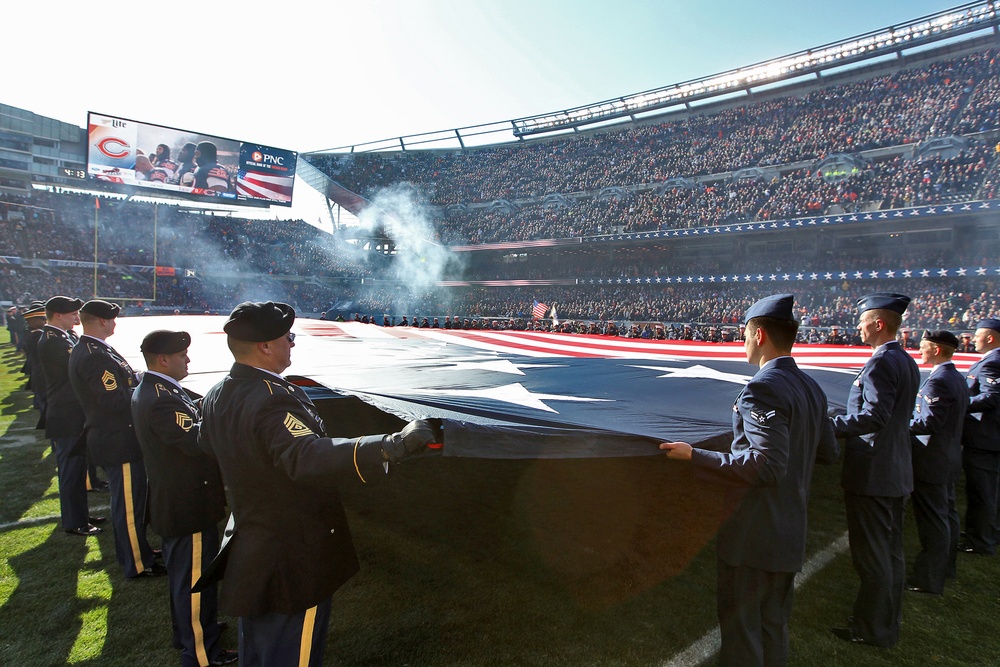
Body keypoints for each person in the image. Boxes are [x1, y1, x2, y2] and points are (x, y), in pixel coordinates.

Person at [198, 301, 437, 667]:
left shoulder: (218, 392)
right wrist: (389, 447)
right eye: (287, 337)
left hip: (253, 544)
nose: (292, 343)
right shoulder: (270, 397)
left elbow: (208, 445)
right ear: (265, 345)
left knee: (259, 652)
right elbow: (305, 455)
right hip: (291, 553)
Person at [660, 294, 839, 667]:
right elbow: (827, 454)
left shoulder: (762, 388)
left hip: (755, 534)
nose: (741, 342)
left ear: (759, 335)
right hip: (790, 529)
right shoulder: (812, 387)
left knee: (742, 632)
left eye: (743, 334)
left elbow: (766, 465)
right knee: (774, 627)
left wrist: (696, 456)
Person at [132, 330, 237, 666]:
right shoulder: (162, 397)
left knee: (184, 576)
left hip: (178, 499)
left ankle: (191, 630)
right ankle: (202, 652)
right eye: (182, 355)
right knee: (194, 580)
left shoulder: (156, 390)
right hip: (187, 502)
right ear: (164, 359)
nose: (188, 359)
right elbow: (195, 441)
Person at [831, 292, 920, 647]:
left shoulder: (881, 363)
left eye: (862, 319)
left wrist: (831, 425)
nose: (857, 325)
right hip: (894, 469)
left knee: (873, 557)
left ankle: (871, 630)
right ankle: (883, 623)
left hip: (874, 473)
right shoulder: (906, 360)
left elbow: (875, 416)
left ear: (878, 324)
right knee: (890, 554)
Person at [68, 299, 164, 579]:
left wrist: (134, 378)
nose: (114, 323)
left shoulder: (93, 348)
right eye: (111, 319)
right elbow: (113, 400)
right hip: (117, 438)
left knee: (131, 501)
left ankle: (139, 549)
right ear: (101, 321)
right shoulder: (94, 354)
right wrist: (144, 389)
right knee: (129, 507)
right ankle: (137, 562)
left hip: (115, 436)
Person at [907, 330, 968, 594]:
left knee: (934, 521)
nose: (920, 350)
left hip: (932, 461)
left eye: (924, 346)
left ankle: (928, 579)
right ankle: (946, 567)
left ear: (937, 349)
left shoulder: (938, 381)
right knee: (947, 515)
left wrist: (900, 422)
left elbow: (928, 422)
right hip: (950, 456)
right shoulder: (956, 377)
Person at [36, 296, 99, 536]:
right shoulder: (53, 341)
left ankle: (80, 514)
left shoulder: (65, 336)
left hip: (72, 412)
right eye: (73, 313)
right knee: (71, 470)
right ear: (58, 315)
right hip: (66, 413)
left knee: (77, 469)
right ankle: (74, 521)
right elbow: (80, 368)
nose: (77, 317)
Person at [958, 318, 1000, 555]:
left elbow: (992, 397)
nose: (973, 339)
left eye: (977, 335)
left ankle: (980, 540)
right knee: (990, 490)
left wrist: (958, 402)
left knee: (981, 491)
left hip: (984, 438)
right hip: (991, 437)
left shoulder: (991, 363)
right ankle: (988, 532)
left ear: (990, 338)